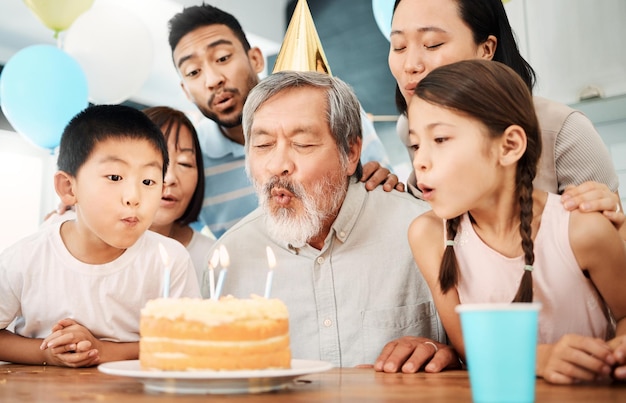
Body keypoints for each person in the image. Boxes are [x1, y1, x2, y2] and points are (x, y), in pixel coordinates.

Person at [208, 70, 460, 371]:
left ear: (351, 152)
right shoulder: (229, 260)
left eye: (302, 144)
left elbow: (479, 359)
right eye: (263, 145)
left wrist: (448, 357)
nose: (278, 165)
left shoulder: (424, 232)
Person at [407, 59, 626, 384]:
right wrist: (540, 358)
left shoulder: (582, 230)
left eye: (440, 139)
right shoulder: (427, 236)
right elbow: (468, 344)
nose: (420, 162)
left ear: (509, 146)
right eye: (415, 144)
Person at [168, 4, 402, 238]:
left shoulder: (332, 109)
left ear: (256, 59)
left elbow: (385, 188)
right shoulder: (191, 160)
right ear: (185, 91)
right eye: (193, 72)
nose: (213, 80)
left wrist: (384, 182)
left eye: (222, 58)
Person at [387, 0, 624, 230]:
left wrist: (613, 226)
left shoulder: (563, 130)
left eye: (432, 44)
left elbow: (610, 248)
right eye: (399, 46)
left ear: (486, 49)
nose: (410, 65)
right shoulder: (407, 129)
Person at [0, 105, 201, 367]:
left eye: (148, 182)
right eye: (115, 176)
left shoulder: (169, 259)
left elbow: (188, 341)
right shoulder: (25, 258)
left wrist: (102, 351)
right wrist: (46, 353)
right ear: (69, 187)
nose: (133, 197)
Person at [142, 106, 215, 291]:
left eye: (185, 163)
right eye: (156, 160)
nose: (170, 178)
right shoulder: (81, 239)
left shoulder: (211, 258)